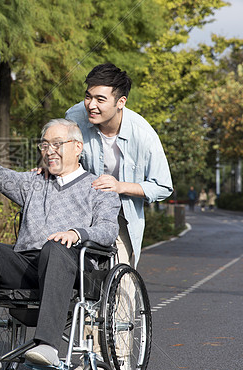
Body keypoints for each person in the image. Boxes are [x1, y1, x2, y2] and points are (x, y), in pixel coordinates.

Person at [0, 119, 121, 370]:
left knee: (55, 246)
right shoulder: (34, 182)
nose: (49, 151)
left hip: (74, 270)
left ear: (77, 147)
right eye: (44, 145)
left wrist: (76, 233)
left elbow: (108, 230)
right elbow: (0, 176)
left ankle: (48, 346)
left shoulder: (99, 187)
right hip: (28, 265)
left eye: (57, 144)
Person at [65, 62, 174, 268]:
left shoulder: (144, 135)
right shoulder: (75, 118)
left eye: (100, 99)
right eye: (88, 96)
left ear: (121, 102)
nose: (91, 105)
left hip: (121, 214)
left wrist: (120, 186)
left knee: (118, 271)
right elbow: (63, 158)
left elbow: (163, 186)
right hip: (81, 208)